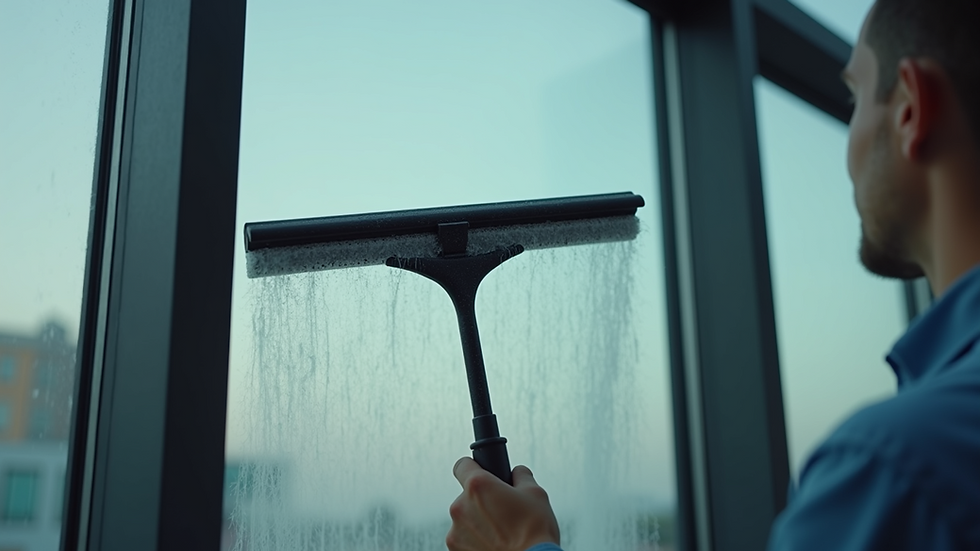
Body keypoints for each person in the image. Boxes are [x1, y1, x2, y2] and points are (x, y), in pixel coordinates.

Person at [444, 0, 980, 549]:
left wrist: (527, 545)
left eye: (855, 95)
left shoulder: (892, 474)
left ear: (911, 107)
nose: (848, 148)